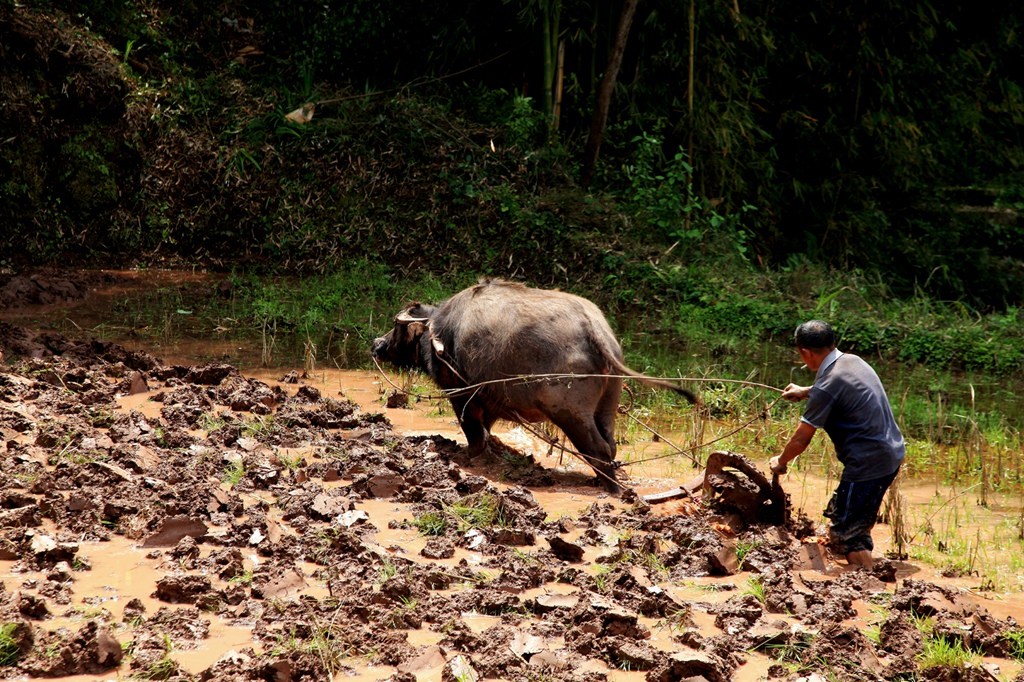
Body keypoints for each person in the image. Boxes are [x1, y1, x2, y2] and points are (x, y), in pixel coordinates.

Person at [769, 320, 905, 568]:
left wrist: (780, 461)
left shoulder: (827, 387)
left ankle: (868, 584)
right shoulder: (853, 361)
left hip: (868, 463)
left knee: (847, 535)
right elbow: (839, 387)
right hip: (890, 452)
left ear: (805, 353)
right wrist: (806, 390)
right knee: (849, 516)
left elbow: (801, 439)